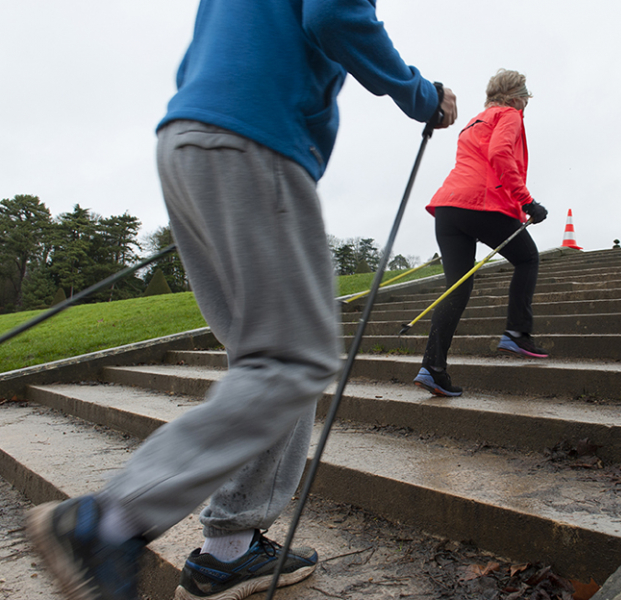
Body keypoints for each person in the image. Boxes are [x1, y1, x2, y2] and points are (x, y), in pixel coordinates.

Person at [26, 2, 457, 599]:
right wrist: (422, 95)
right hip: (253, 138)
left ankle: (228, 550)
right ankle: (109, 522)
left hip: (189, 136)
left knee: (265, 363)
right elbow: (335, 14)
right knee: (293, 359)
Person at [413, 69, 547, 398]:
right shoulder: (510, 115)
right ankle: (517, 331)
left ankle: (433, 368)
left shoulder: (474, 121)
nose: (527, 103)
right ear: (516, 96)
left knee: (457, 288)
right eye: (526, 96)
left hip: (448, 208)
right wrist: (527, 202)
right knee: (528, 258)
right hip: (481, 205)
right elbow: (500, 154)